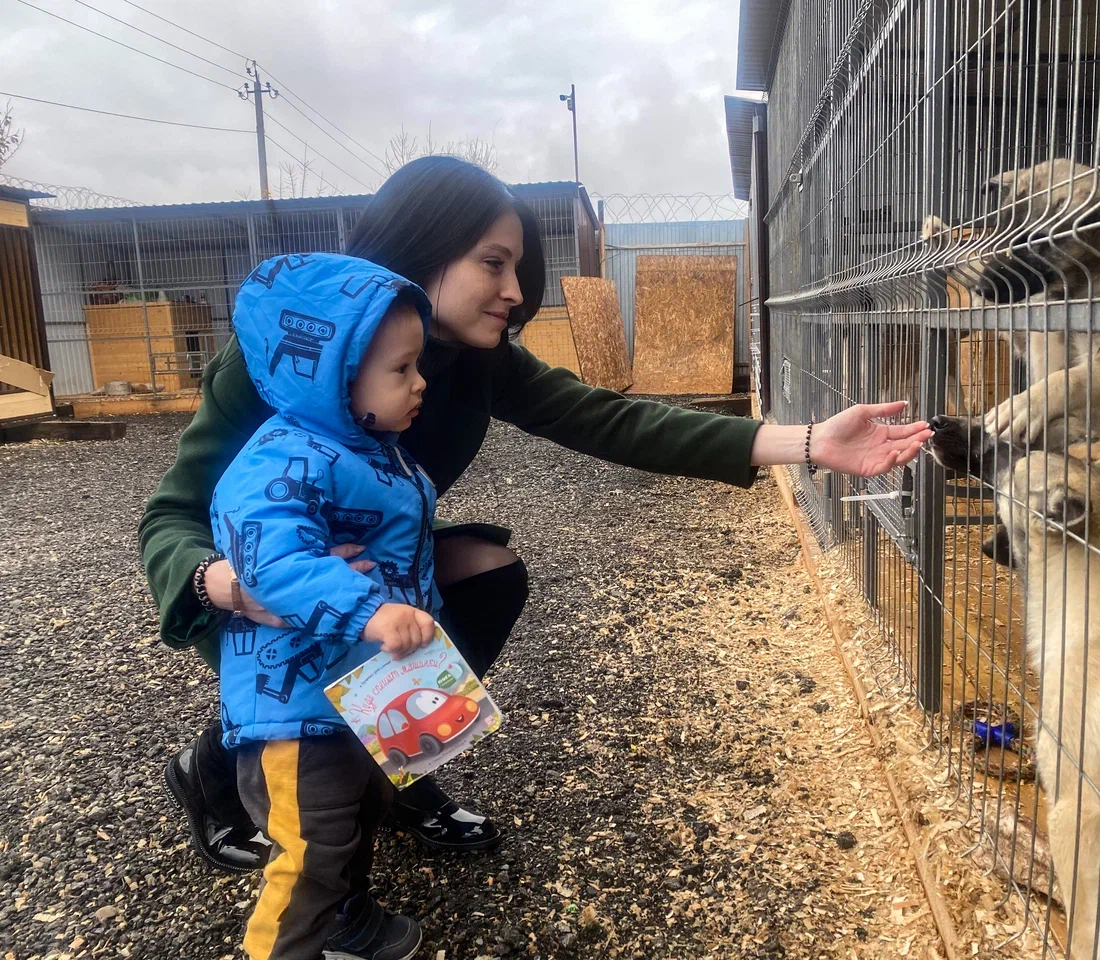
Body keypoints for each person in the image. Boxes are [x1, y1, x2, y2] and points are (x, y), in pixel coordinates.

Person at [140, 155, 934, 875]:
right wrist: (227, 585)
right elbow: (171, 517)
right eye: (495, 262)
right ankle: (214, 766)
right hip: (265, 601)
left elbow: (612, 420)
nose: (518, 292)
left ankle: (397, 757)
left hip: (376, 588)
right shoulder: (286, 356)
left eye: (517, 265)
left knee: (488, 574)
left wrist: (808, 442)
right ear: (421, 247)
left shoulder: (477, 361)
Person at [208, 253, 444, 959]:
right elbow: (274, 560)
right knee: (310, 849)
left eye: (415, 365)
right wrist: (371, 614)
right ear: (334, 375)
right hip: (295, 706)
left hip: (358, 688)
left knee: (360, 813)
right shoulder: (282, 458)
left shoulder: (365, 447)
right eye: (401, 370)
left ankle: (350, 926)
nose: (420, 382)